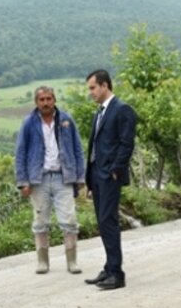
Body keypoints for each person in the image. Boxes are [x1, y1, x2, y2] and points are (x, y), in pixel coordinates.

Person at [14, 86, 85, 274]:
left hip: (64, 177)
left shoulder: (66, 120)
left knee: (69, 219)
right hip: (39, 178)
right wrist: (23, 181)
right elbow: (21, 152)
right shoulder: (29, 123)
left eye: (49, 99)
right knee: (40, 220)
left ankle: (72, 261)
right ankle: (42, 261)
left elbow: (77, 149)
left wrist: (80, 176)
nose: (46, 103)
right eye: (42, 100)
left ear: (54, 100)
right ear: (36, 102)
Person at [83, 69, 137, 291]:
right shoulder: (99, 112)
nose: (91, 92)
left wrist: (116, 169)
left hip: (109, 175)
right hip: (97, 175)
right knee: (102, 222)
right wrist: (89, 178)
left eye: (93, 88)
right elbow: (95, 146)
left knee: (109, 221)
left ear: (105, 86)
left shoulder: (122, 110)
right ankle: (109, 267)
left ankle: (117, 273)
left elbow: (127, 143)